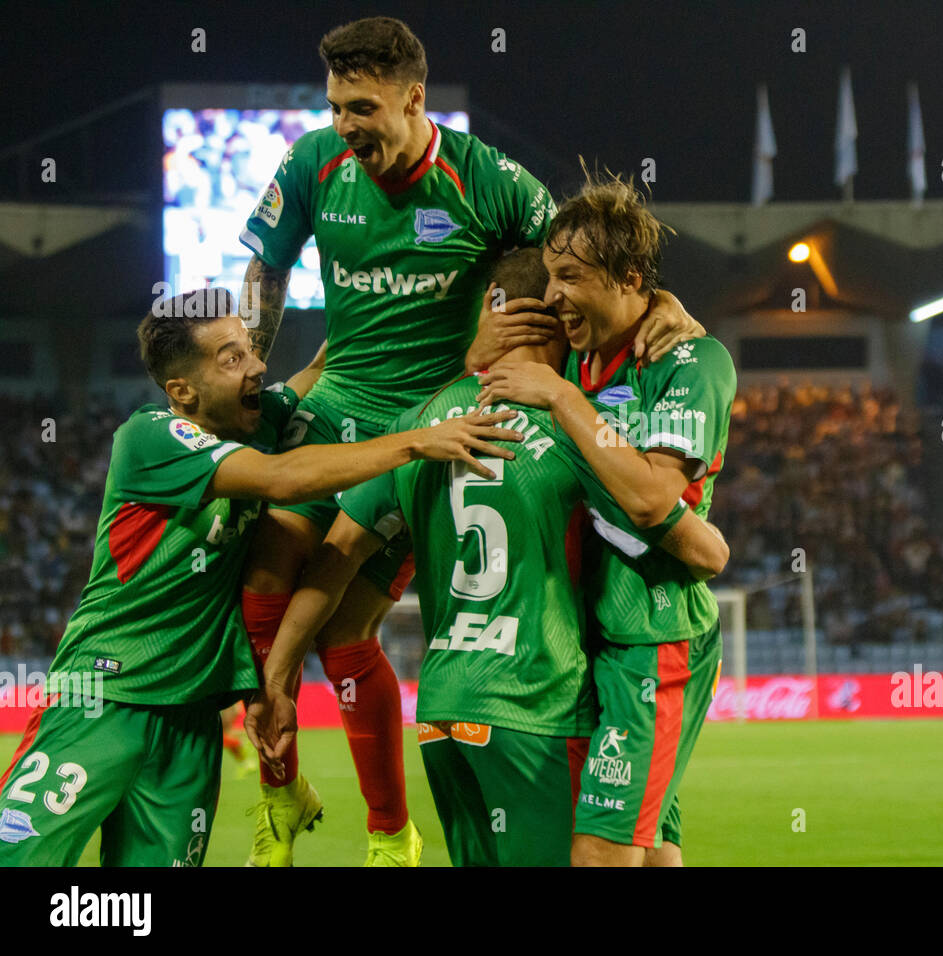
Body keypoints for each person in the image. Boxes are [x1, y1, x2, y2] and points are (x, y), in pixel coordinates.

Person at [236, 15, 703, 866]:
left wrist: (656, 303)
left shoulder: (489, 181)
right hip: (340, 407)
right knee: (265, 599)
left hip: (436, 422)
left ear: (415, 99)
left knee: (345, 635)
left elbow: (577, 260)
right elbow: (266, 270)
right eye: (337, 105)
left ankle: (388, 834)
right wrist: (247, 384)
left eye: (364, 107)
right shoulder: (310, 162)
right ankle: (279, 799)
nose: (346, 124)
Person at [0, 289, 518, 866]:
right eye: (231, 358)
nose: (258, 366)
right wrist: (417, 441)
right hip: (105, 695)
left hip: (193, 720)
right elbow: (282, 480)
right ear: (182, 392)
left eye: (249, 349)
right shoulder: (149, 437)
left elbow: (332, 361)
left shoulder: (257, 421)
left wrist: (451, 310)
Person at [246, 248, 728, 866]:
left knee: (655, 839)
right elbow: (670, 527)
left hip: (445, 714)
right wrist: (710, 545)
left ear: (487, 313)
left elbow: (335, 560)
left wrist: (280, 676)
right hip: (538, 703)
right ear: (556, 321)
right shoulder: (576, 430)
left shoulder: (416, 427)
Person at [476, 172, 737, 866]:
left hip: (652, 636)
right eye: (550, 277)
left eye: (571, 276)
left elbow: (654, 498)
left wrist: (562, 398)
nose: (554, 295)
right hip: (583, 642)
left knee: (598, 853)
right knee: (652, 850)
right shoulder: (580, 356)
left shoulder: (690, 361)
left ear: (628, 278)